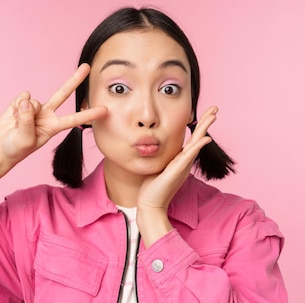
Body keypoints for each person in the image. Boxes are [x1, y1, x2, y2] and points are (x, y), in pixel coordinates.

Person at [0, 7, 287, 303]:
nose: (147, 115)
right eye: (120, 88)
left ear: (191, 107)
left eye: (170, 88)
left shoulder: (241, 225)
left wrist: (154, 219)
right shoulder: (27, 220)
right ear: (85, 105)